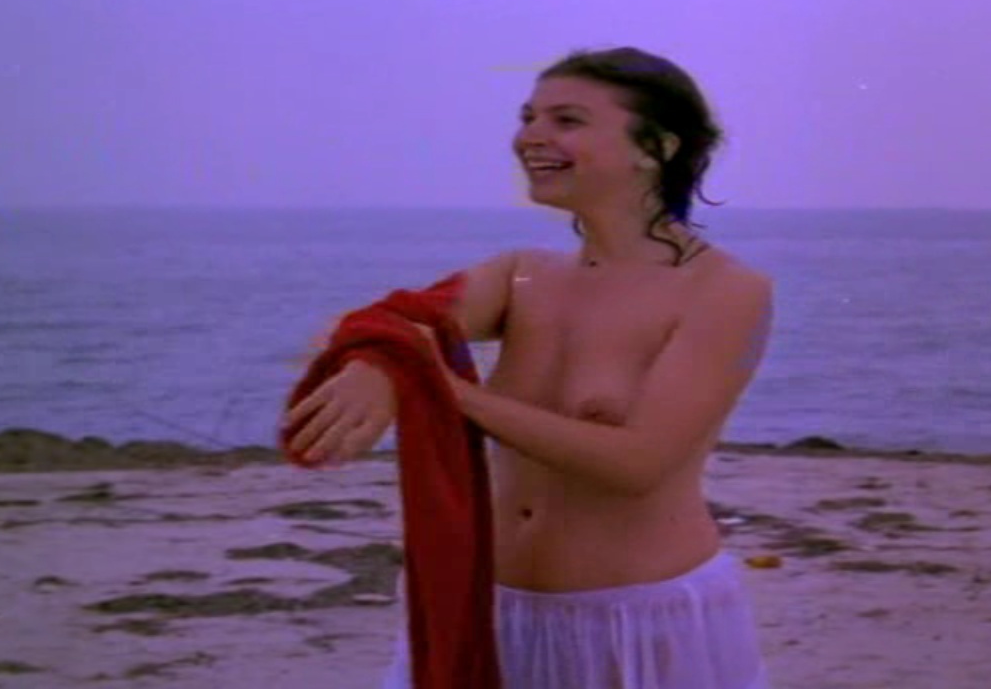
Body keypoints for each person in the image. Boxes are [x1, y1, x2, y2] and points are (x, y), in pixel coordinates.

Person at [285, 46, 773, 689]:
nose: (529, 137)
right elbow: (382, 323)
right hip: (494, 611)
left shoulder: (725, 291)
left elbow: (638, 463)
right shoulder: (521, 275)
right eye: (527, 118)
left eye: (566, 120)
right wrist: (378, 365)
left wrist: (447, 390)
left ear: (656, 146)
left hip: (639, 619)